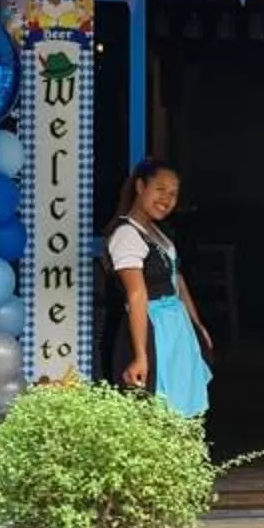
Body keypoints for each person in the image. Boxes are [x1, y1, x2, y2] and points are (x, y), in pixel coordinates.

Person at [102, 159, 213, 418]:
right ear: (141, 187)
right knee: (155, 406)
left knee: (180, 408)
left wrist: (197, 326)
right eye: (160, 189)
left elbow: (178, 280)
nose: (167, 199)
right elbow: (136, 294)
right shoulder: (127, 235)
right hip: (152, 328)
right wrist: (141, 355)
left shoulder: (157, 233)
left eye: (173, 193)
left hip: (175, 327)